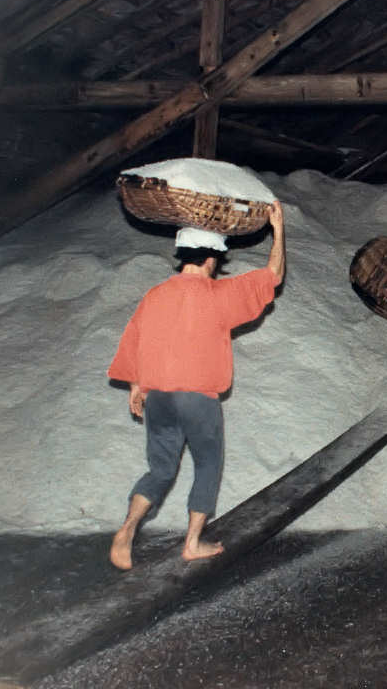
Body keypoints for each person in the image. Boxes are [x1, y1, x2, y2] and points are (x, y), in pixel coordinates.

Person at [106, 201, 285, 570]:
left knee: (160, 470)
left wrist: (137, 385)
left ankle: (127, 529)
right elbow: (273, 275)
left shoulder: (155, 295)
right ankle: (192, 543)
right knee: (207, 464)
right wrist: (278, 230)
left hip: (159, 398)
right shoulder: (217, 295)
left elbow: (134, 340)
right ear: (211, 259)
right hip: (198, 400)